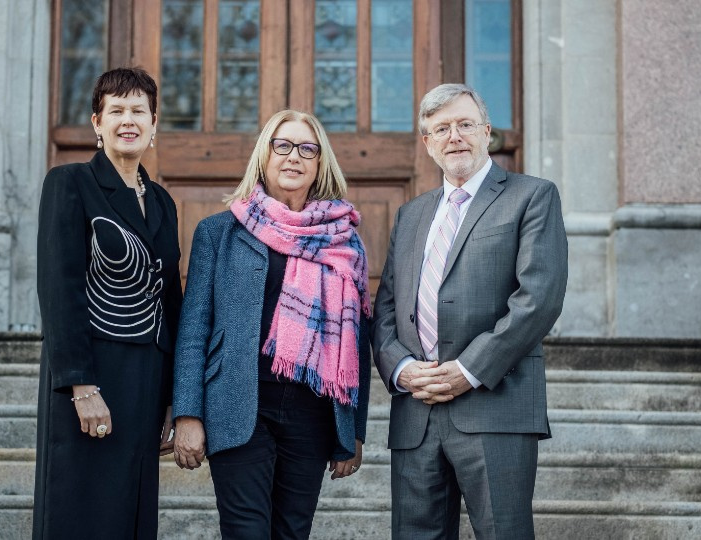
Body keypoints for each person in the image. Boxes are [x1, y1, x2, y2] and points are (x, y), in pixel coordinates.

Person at [371, 83, 568, 539]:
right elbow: (385, 309)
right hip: (416, 412)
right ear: (427, 143)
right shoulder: (411, 214)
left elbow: (539, 298)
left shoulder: (531, 196)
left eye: (464, 124)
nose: (454, 136)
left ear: (486, 132)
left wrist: (469, 369)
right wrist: (401, 369)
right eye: (441, 128)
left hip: (495, 404)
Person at [172, 110, 372, 539]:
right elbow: (194, 330)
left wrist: (352, 429)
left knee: (292, 533)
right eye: (282, 146)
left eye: (307, 148)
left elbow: (358, 339)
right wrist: (188, 412)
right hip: (239, 406)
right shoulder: (219, 232)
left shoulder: (344, 241)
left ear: (320, 163)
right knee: (246, 532)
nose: (293, 157)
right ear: (264, 156)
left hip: (313, 413)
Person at [33, 67, 182, 539]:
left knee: (131, 519)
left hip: (146, 385)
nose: (128, 120)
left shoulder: (161, 202)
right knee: (82, 514)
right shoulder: (69, 183)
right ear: (97, 123)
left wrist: (172, 402)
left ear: (154, 124)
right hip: (91, 379)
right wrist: (81, 386)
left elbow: (170, 301)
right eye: (116, 110)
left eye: (139, 110)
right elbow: (60, 288)